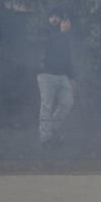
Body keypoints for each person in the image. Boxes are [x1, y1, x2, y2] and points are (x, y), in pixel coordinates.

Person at [38, 9, 75, 145]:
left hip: (63, 75)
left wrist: (72, 78)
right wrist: (62, 32)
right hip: (46, 73)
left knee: (68, 102)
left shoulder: (64, 35)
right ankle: (45, 138)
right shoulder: (44, 30)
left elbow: (68, 57)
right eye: (52, 16)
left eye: (58, 17)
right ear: (48, 19)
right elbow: (46, 43)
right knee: (46, 106)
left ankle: (52, 129)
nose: (55, 19)